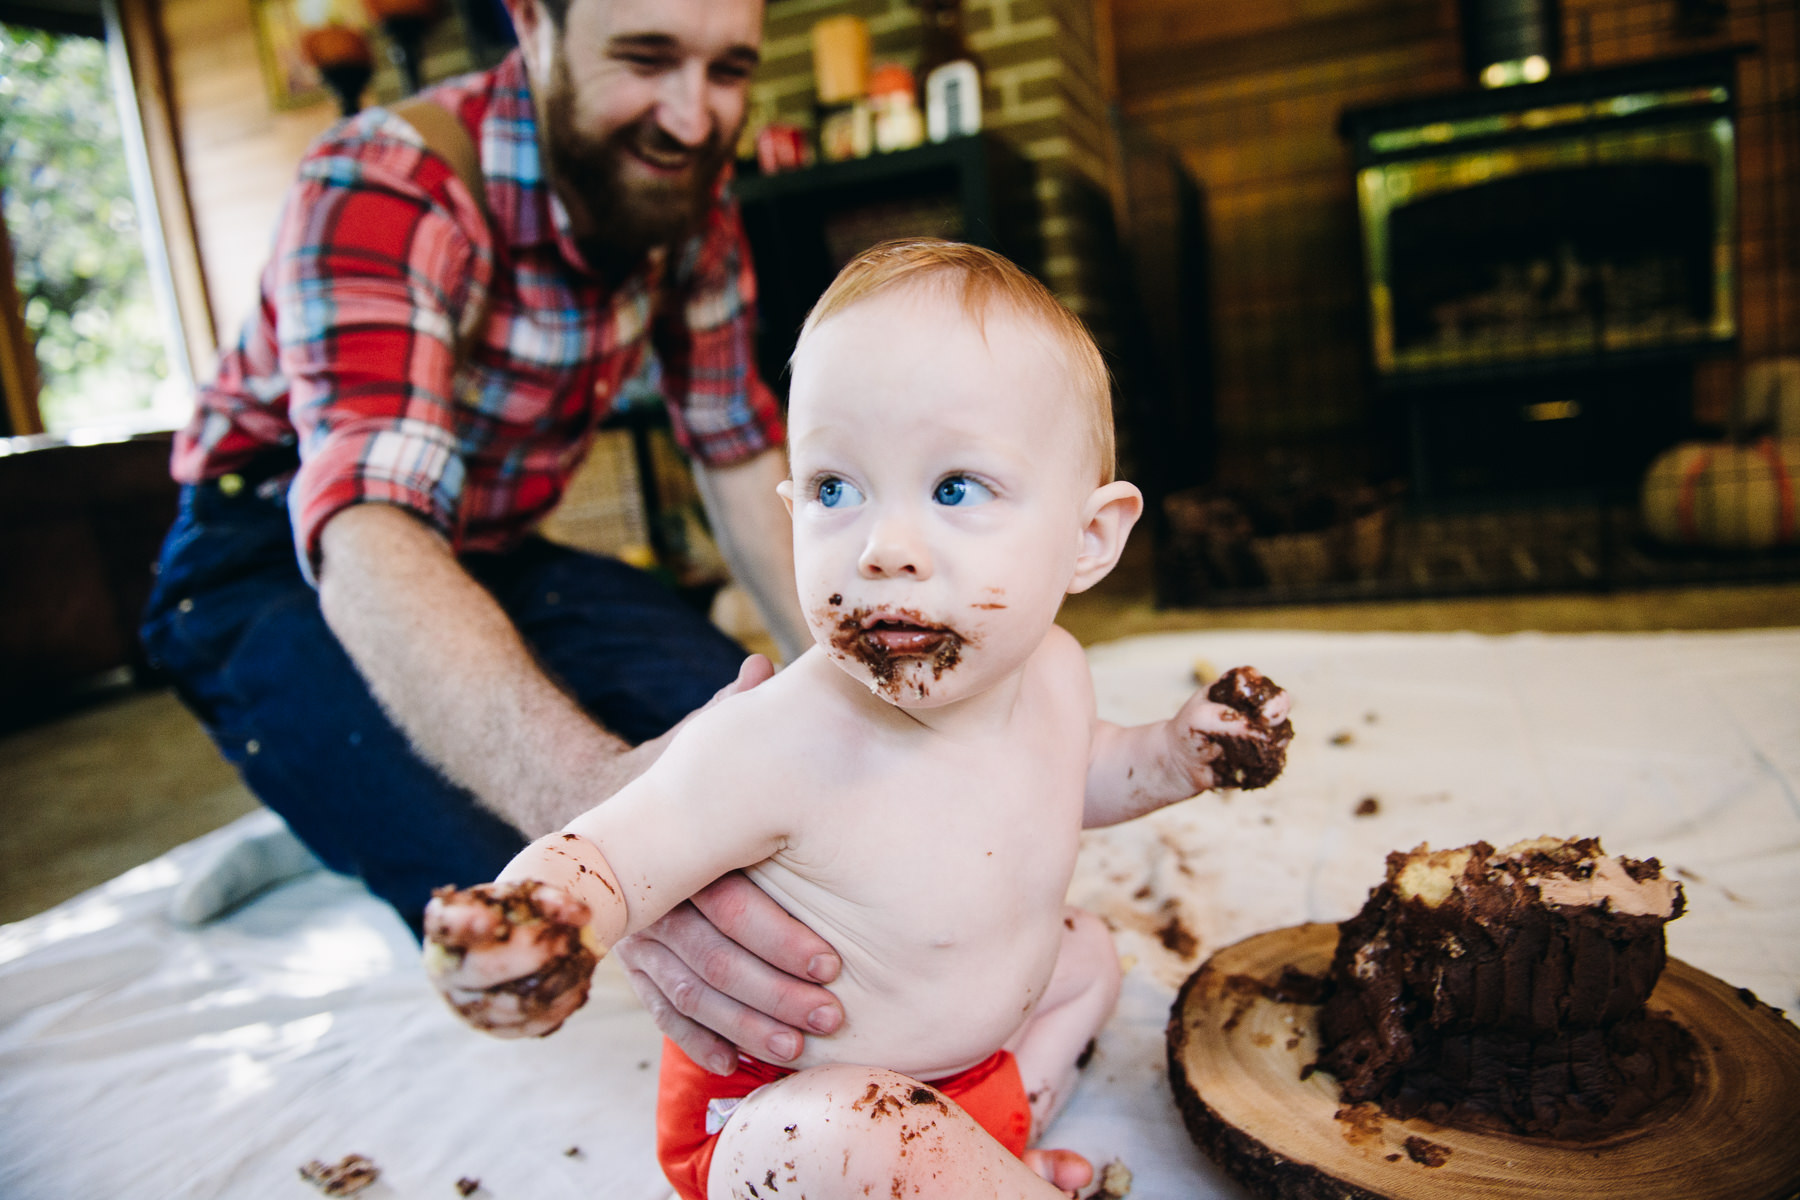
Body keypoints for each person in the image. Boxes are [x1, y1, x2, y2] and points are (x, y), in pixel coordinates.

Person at [423, 239, 1295, 1199]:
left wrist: (1175, 755)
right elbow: (610, 849)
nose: (884, 549)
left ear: (1089, 539)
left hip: (976, 1077)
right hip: (788, 1128)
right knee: (855, 1136)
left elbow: (1070, 772)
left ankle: (983, 1158)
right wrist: (536, 920)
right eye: (836, 491)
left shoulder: (1055, 672)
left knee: (1088, 954)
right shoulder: (781, 737)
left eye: (955, 488)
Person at [139, 0, 855, 1081]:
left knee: (749, 742)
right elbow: (371, 525)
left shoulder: (687, 203)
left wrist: (850, 685)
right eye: (648, 58)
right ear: (534, 21)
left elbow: (735, 448)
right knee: (513, 869)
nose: (695, 118)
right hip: (273, 555)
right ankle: (337, 784)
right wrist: (581, 792)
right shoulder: (381, 181)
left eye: (729, 71)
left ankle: (393, 752)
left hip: (493, 551)